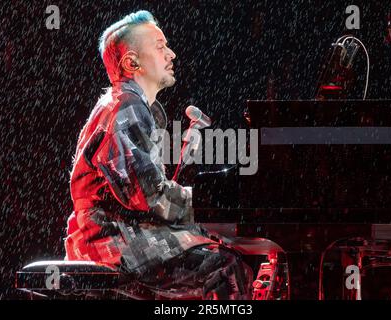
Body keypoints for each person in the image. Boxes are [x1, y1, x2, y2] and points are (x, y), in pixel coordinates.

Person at [64, 10, 252, 299]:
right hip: (112, 242)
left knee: (213, 247)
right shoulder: (125, 107)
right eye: (161, 46)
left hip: (117, 235)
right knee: (225, 265)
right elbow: (152, 197)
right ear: (132, 62)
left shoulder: (125, 105)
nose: (172, 54)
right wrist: (210, 205)